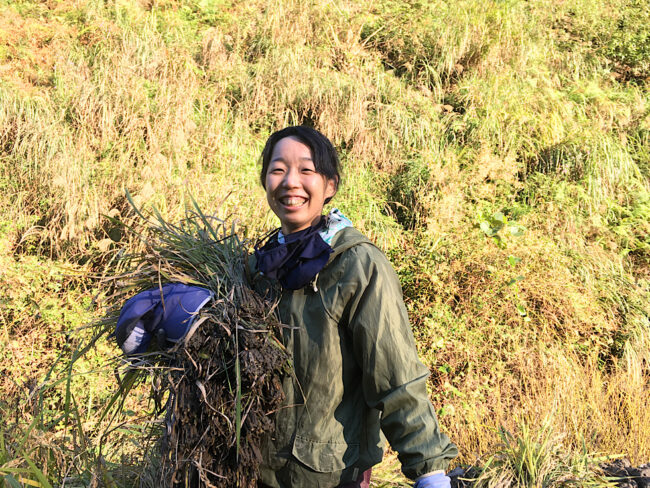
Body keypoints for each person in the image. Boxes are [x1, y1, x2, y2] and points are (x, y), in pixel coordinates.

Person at [253, 126, 458, 488]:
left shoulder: (357, 265)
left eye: (306, 170)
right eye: (278, 169)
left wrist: (429, 470)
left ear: (329, 186)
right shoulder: (258, 267)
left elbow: (396, 375)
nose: (290, 182)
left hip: (330, 476)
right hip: (257, 471)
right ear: (265, 180)